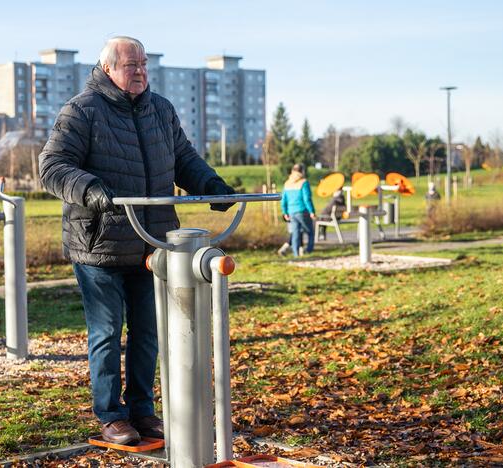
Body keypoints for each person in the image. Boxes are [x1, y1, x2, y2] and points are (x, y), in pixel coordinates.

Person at [38, 36, 235, 446]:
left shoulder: (159, 109)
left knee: (149, 331)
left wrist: (212, 185)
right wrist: (89, 188)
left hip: (152, 244)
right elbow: (53, 167)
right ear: (108, 68)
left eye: (144, 64)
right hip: (100, 244)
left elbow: (182, 158)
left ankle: (142, 411)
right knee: (107, 331)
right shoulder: (82, 110)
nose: (141, 71)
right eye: (132, 65)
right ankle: (111, 416)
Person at [280, 164, 316, 256]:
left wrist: (285, 212)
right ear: (302, 171)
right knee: (310, 231)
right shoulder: (304, 182)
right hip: (303, 211)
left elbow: (283, 200)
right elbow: (307, 198)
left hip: (291, 212)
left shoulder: (287, 183)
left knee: (295, 233)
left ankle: (296, 254)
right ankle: (309, 251)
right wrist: (312, 211)